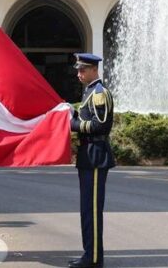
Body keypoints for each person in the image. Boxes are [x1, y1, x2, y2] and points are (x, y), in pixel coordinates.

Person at [68, 53, 115, 268]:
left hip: (96, 155)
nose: (79, 74)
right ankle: (90, 254)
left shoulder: (99, 93)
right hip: (88, 155)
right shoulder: (89, 91)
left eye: (83, 70)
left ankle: (94, 258)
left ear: (94, 70)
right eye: (78, 70)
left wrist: (74, 123)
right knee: (87, 210)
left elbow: (100, 125)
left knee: (92, 211)